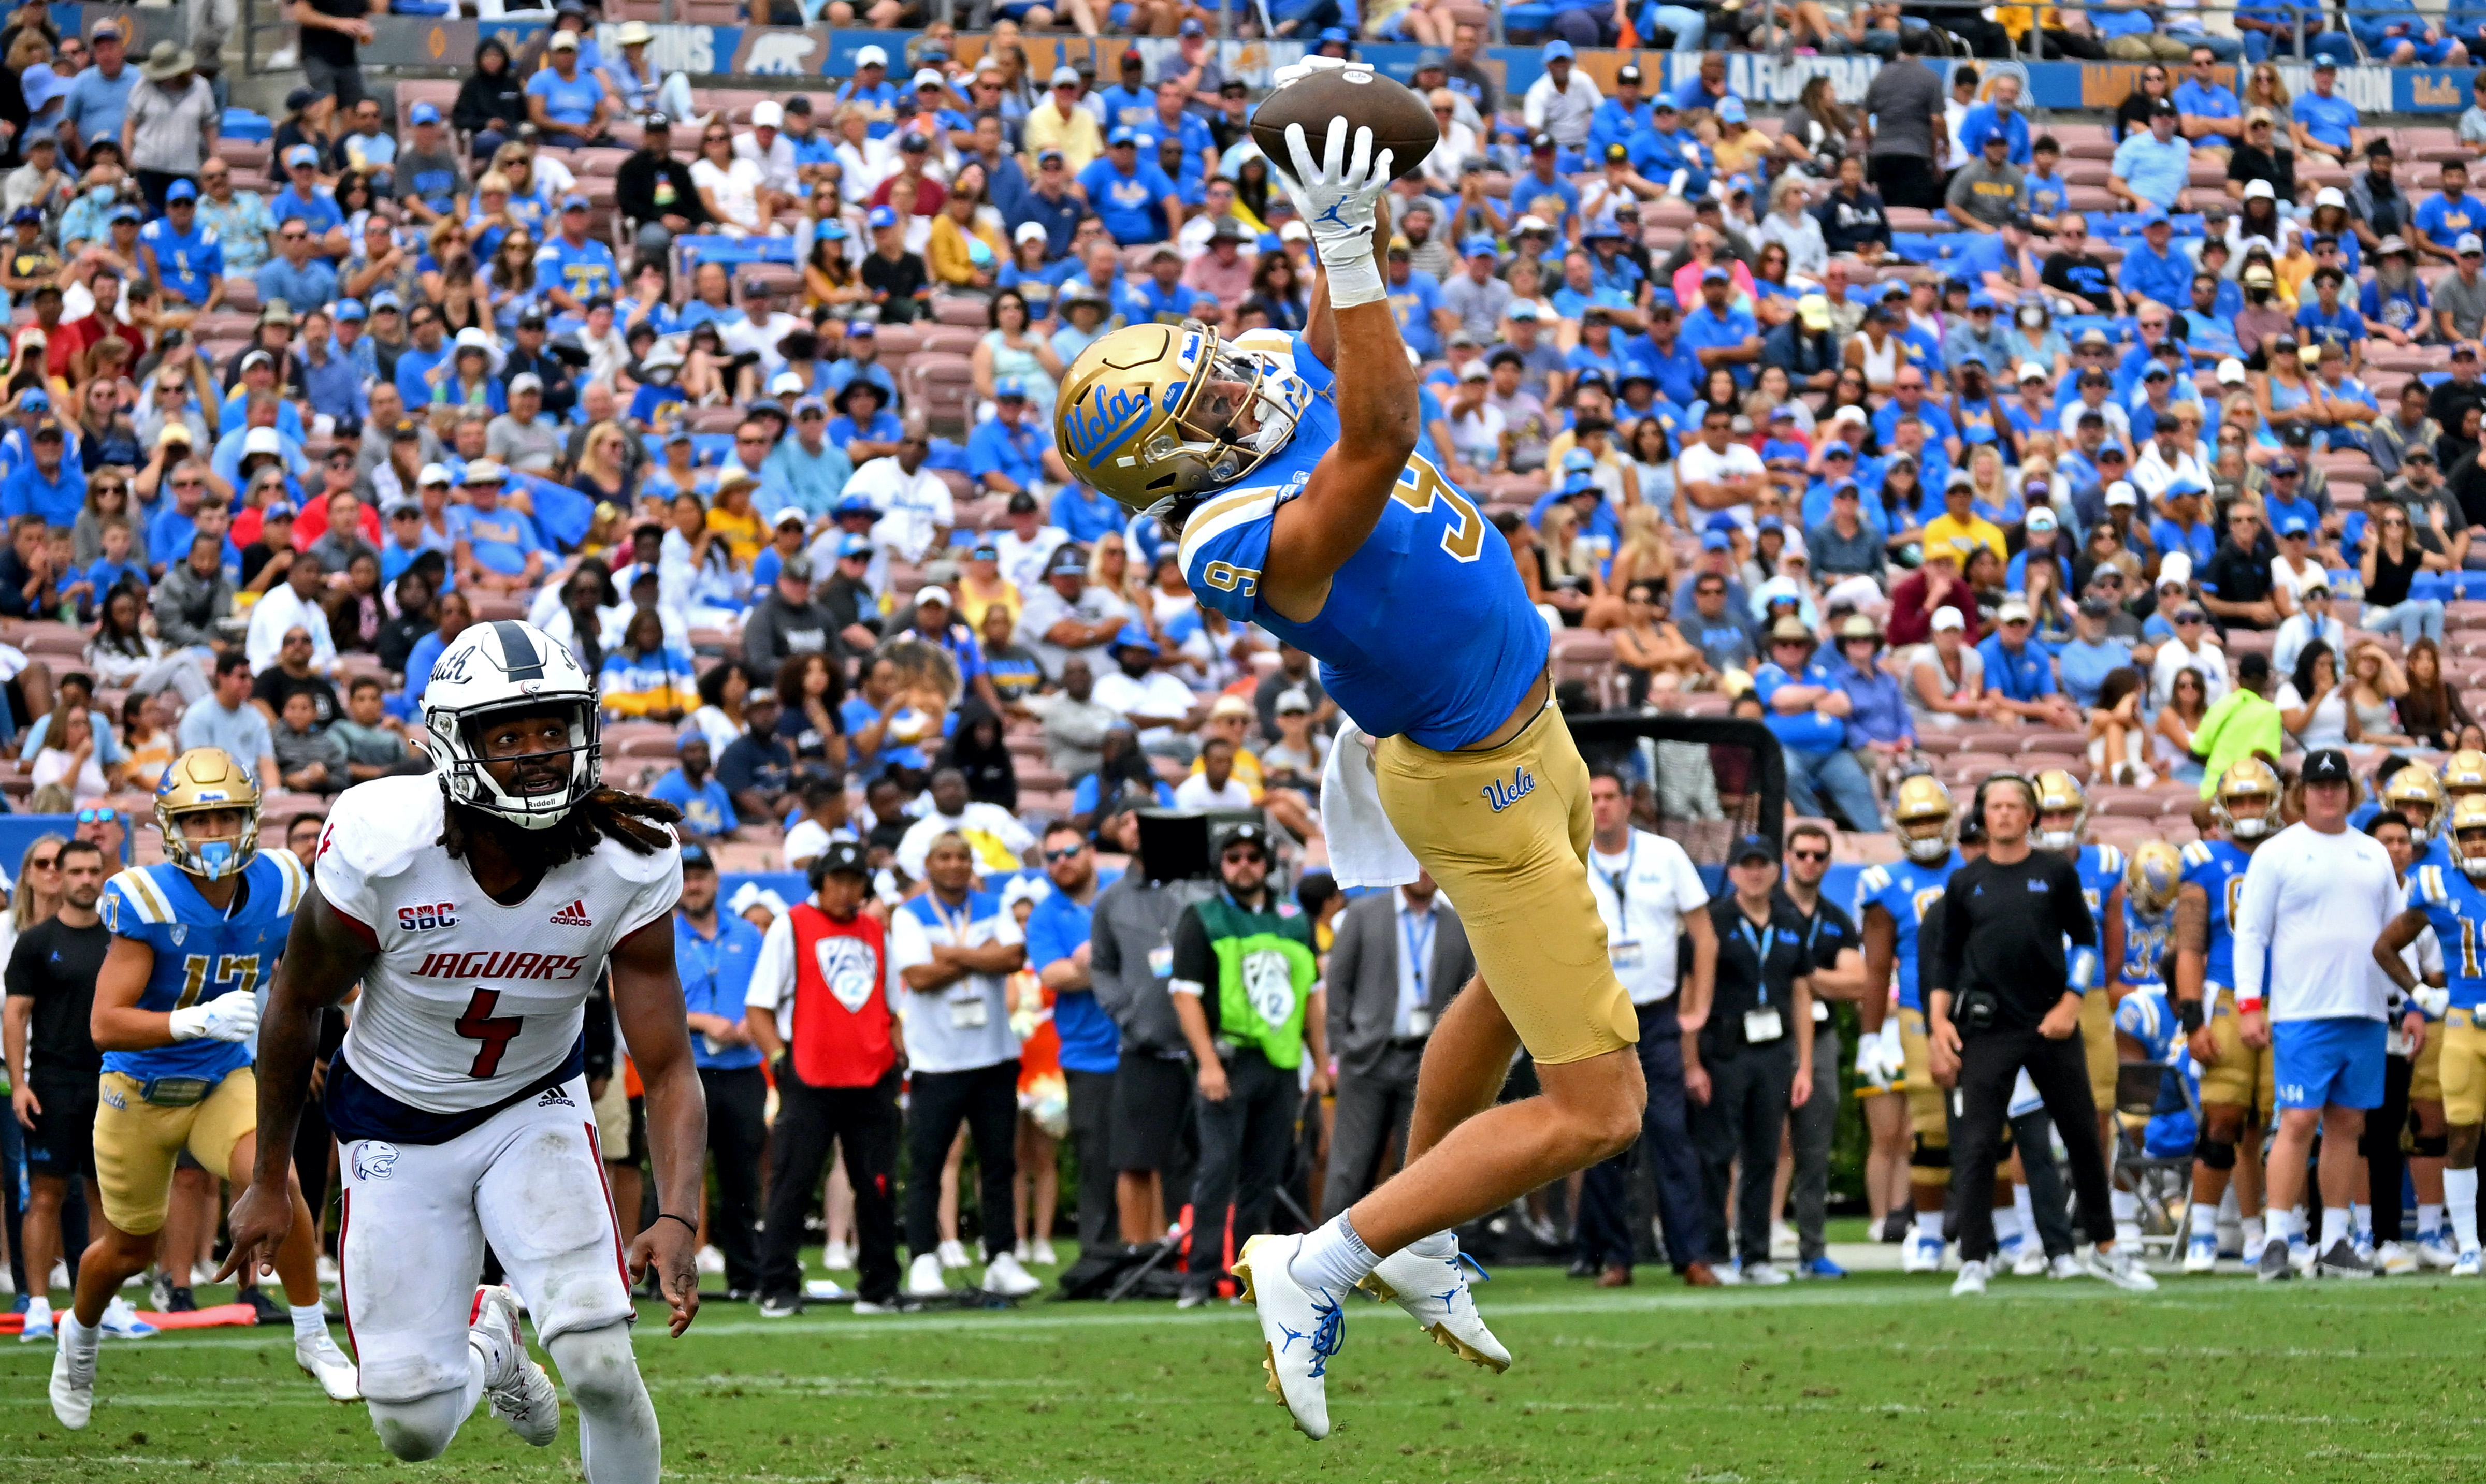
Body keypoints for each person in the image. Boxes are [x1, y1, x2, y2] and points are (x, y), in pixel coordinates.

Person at [1067, 90, 1618, 1432]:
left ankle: (1420, 1228)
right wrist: (1352, 247)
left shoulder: (1251, 404)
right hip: (1468, 773)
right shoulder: (1234, 537)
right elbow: (1375, 437)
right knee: (1599, 1103)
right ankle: (1319, 1259)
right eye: (1199, 397)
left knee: (1504, 983)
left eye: (1202, 363)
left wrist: (1342, 224)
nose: (1229, 381)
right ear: (1173, 463)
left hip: (1527, 736)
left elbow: (1332, 350)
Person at [220, 623, 700, 1478]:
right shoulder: (386, 841)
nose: (537, 752)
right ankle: (492, 1342)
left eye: (552, 727)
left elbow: (664, 1063)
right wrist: (268, 1179)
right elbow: (296, 1005)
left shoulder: (629, 855)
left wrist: (677, 1214)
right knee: (414, 1426)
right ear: (452, 745)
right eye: (506, 735)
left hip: (531, 1106)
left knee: (596, 1356)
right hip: (393, 1126)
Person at [46, 751, 359, 1430]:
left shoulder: (282, 882)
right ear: (171, 826)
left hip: (222, 1075)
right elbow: (104, 1023)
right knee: (130, 1250)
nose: (214, 830)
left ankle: (312, 1337)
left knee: (280, 1185)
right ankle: (80, 1332)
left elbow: (313, 971)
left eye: (225, 815)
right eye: (199, 817)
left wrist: (352, 993)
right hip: (142, 1089)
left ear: (250, 821)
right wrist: (191, 1018)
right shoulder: (146, 897)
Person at [1928, 774, 2155, 1297]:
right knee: (1980, 1142)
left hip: (2050, 1023)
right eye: (1995, 806)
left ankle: (2104, 1247)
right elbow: (1945, 957)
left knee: (2083, 1134)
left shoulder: (2055, 872)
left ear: (2031, 815)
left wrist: (2072, 1001)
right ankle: (1975, 1256)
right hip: (1988, 1029)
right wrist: (1940, 1022)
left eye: (2014, 806)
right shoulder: (1966, 881)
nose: (2005, 814)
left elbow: (2084, 938)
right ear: (1983, 815)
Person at [2218, 747, 2401, 1282]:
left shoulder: (2372, 853)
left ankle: (2335, 1240)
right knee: (2296, 1120)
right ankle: (2278, 1236)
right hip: (2302, 1009)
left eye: (2337, 784)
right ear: (2302, 794)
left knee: (2348, 1123)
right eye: (2319, 785)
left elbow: (2397, 931)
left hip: (2364, 1007)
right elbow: (2250, 932)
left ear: (2350, 790)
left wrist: (2409, 999)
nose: (2328, 793)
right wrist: (2249, 1002)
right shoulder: (2277, 852)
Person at [746, 841, 904, 1317]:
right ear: (821, 880)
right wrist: (779, 1058)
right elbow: (759, 1006)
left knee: (877, 1185)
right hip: (809, 1076)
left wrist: (898, 1057)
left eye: (855, 880)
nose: (846, 889)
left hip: (872, 1077)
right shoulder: (791, 926)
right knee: (793, 1183)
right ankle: (777, 1285)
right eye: (837, 879)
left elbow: (892, 1006)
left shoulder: (876, 931)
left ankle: (881, 1286)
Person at [1571, 767, 1715, 1287]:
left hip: (1656, 1015)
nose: (1603, 806)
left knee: (1671, 1135)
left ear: (1629, 803)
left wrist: (1697, 1005)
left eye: (1611, 797)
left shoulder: (1664, 855)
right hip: (1598, 1017)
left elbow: (1705, 936)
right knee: (1607, 1139)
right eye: (1593, 799)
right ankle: (1616, 1257)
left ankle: (1692, 1255)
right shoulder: (1571, 856)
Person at [889, 831, 1041, 1301]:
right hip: (936, 1062)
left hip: (995, 1057)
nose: (954, 865)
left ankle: (1002, 1258)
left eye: (961, 857)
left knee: (999, 1163)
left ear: (972, 863)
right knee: (928, 1166)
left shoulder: (994, 905)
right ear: (928, 864)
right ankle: (924, 1259)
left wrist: (951, 954)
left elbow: (1014, 957)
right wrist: (983, 959)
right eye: (944, 857)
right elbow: (918, 977)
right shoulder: (908, 913)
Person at [4, 838, 119, 1344]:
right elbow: (15, 1013)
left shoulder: (121, 939)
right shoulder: (34, 941)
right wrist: (20, 1084)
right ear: (63, 878)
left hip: (110, 1083)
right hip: (51, 1084)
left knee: (105, 1198)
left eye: (94, 870)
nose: (85, 879)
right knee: (45, 1196)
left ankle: (102, 1303)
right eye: (76, 871)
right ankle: (36, 1304)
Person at [1691, 834, 1816, 1286]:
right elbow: (1691, 990)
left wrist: (1804, 1065)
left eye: (1763, 863)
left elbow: (1801, 994)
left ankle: (1758, 1255)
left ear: (1776, 870)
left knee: (1766, 1154)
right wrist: (1693, 1062)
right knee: (1718, 1154)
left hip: (1774, 1053)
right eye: (1747, 865)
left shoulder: (1790, 921)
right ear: (1733, 873)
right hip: (1725, 1050)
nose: (1756, 872)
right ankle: (1715, 1252)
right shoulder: (1716, 922)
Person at [1854, 774, 1967, 1273]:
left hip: (1985, 1008)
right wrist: (1870, 1037)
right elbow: (1877, 970)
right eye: (1914, 821)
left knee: (1996, 1123)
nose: (1924, 830)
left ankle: (2008, 1229)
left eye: (1932, 820)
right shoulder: (1884, 884)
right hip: (1921, 1013)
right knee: (1930, 1127)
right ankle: (1926, 1229)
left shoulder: (1980, 869)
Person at [1322, 868, 1473, 1223]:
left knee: (1423, 1170)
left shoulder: (1457, 924)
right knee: (1350, 1167)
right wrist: (1342, 1047)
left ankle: (1416, 1266)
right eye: (1416, 863)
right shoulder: (1362, 915)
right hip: (1367, 1059)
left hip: (1427, 1062)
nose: (1425, 872)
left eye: (1431, 863)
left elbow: (1467, 996)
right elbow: (1338, 986)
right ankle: (1328, 1267)